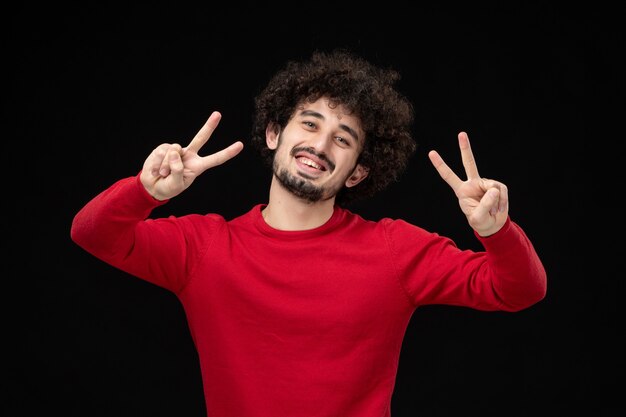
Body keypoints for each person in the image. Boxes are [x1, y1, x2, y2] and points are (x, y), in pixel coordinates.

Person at [71, 49, 547, 417]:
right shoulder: (204, 248)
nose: (320, 145)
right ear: (275, 133)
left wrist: (496, 231)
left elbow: (519, 290)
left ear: (357, 173)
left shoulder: (395, 250)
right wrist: (144, 191)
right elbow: (92, 234)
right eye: (310, 123)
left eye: (343, 139)